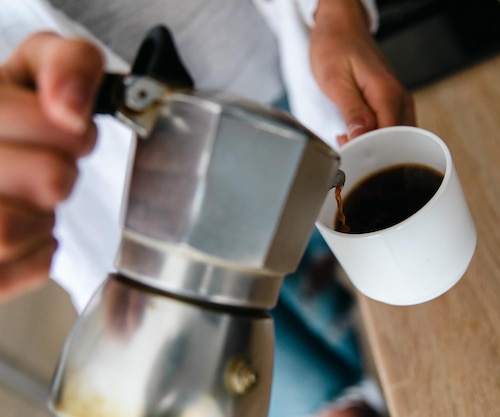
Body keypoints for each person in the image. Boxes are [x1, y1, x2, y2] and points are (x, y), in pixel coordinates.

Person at [0, 1, 415, 416]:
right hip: (119, 226)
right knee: (316, 399)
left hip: (275, 93)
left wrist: (336, 13)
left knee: (392, 317)